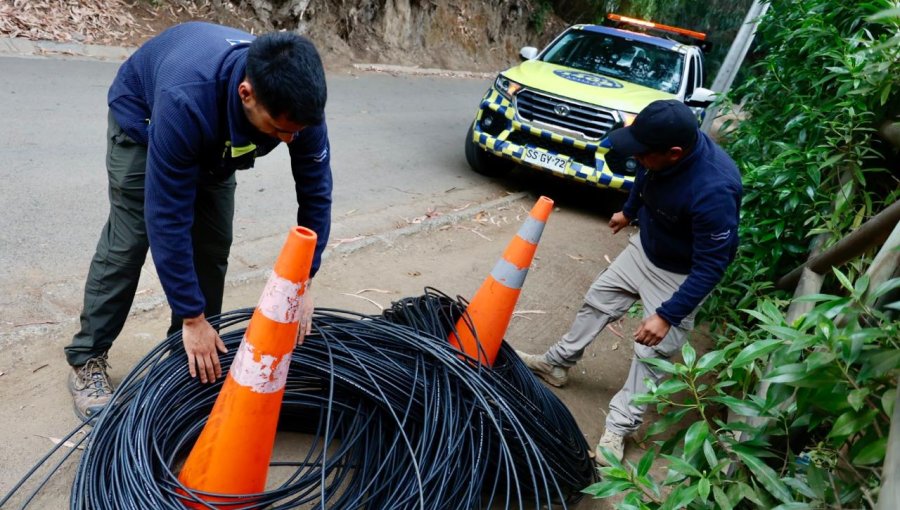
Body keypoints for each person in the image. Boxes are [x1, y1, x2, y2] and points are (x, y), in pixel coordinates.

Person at [64, 22, 333, 421]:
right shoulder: (185, 99)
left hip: (215, 144)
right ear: (247, 94)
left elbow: (316, 191)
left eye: (297, 132)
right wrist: (192, 314)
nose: (290, 140)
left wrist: (304, 280)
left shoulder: (296, 109)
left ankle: (184, 356)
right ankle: (87, 359)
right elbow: (166, 216)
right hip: (145, 122)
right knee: (131, 240)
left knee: (212, 243)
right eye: (280, 131)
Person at [515, 99, 742, 465]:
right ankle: (556, 364)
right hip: (646, 248)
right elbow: (646, 175)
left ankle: (621, 426)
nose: (637, 158)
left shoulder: (715, 189)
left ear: (674, 153)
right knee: (597, 301)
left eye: (643, 153)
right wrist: (630, 211)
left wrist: (668, 314)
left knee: (655, 352)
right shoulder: (660, 153)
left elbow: (713, 265)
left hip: (681, 274)